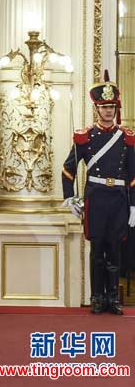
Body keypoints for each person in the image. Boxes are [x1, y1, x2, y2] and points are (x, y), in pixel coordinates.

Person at [62, 70, 135, 315]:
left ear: (116, 109)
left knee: (114, 250)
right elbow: (68, 170)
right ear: (97, 109)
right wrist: (69, 198)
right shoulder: (86, 136)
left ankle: (113, 298)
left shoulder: (126, 138)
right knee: (97, 251)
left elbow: (133, 176)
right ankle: (96, 297)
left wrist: (133, 206)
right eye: (104, 107)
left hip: (118, 200)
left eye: (111, 107)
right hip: (96, 198)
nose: (108, 111)